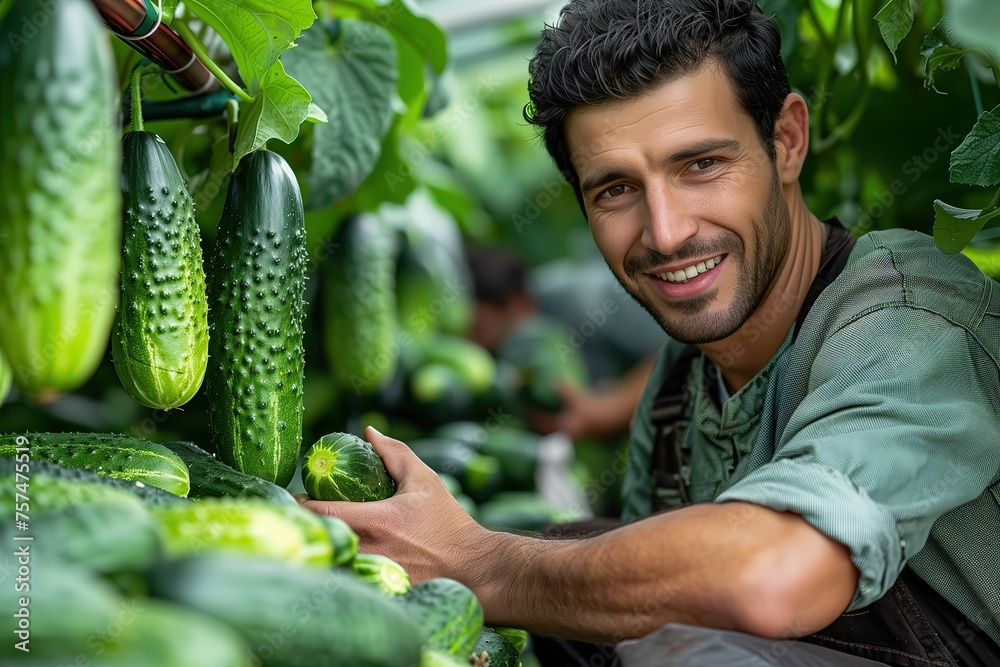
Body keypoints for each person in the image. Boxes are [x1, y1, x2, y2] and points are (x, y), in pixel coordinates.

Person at [299, 1, 1000, 665]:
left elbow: (775, 572)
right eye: (615, 189)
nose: (666, 232)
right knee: (582, 565)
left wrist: (480, 561)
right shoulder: (675, 390)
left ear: (786, 141)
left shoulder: (909, 321)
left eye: (701, 165)